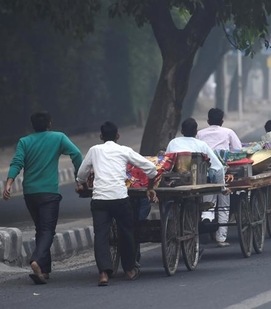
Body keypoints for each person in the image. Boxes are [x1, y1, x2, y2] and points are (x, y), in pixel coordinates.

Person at [2, 111, 83, 285]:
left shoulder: (24, 141)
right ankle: (37, 261)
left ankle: (44, 272)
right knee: (47, 230)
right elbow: (76, 153)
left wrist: (9, 183)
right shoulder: (58, 137)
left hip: (30, 193)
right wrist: (79, 177)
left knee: (41, 228)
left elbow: (17, 162)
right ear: (50, 124)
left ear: (32, 126)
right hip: (49, 193)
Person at [76, 121, 157, 286]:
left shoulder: (94, 150)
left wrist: (83, 184)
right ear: (118, 136)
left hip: (99, 200)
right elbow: (150, 168)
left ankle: (104, 273)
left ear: (101, 137)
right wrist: (149, 188)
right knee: (126, 232)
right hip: (120, 198)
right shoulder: (124, 150)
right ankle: (129, 269)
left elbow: (81, 174)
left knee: (101, 236)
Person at [166, 118, 228, 247]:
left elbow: (166, 163)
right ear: (196, 131)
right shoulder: (201, 145)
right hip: (196, 183)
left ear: (182, 131)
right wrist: (221, 186)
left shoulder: (173, 143)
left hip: (175, 182)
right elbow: (218, 167)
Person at [196, 108, 242, 247]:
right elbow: (237, 150)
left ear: (208, 121)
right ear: (222, 121)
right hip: (223, 172)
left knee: (208, 197)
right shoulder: (228, 132)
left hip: (204, 172)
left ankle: (207, 218)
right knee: (224, 203)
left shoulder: (200, 134)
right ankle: (221, 238)